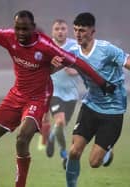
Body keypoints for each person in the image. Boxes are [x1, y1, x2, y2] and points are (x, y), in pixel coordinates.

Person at [0, 10, 115, 187]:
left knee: (22, 138)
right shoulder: (9, 37)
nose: (20, 32)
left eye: (25, 28)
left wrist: (102, 83)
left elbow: (78, 62)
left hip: (38, 97)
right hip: (16, 95)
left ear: (33, 28)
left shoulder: (45, 46)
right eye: (18, 28)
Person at [51, 12, 130, 187]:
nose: (78, 34)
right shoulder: (73, 52)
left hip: (114, 110)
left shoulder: (107, 49)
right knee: (74, 152)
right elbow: (52, 68)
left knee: (94, 163)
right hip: (90, 105)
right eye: (75, 30)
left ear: (92, 31)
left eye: (82, 30)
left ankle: (107, 151)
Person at [37, 19, 80, 170]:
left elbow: (83, 66)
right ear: (52, 31)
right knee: (60, 122)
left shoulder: (75, 46)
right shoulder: (47, 46)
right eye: (57, 29)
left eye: (62, 28)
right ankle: (64, 154)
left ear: (67, 31)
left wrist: (74, 71)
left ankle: (51, 137)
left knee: (60, 127)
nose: (60, 31)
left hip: (72, 94)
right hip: (54, 92)